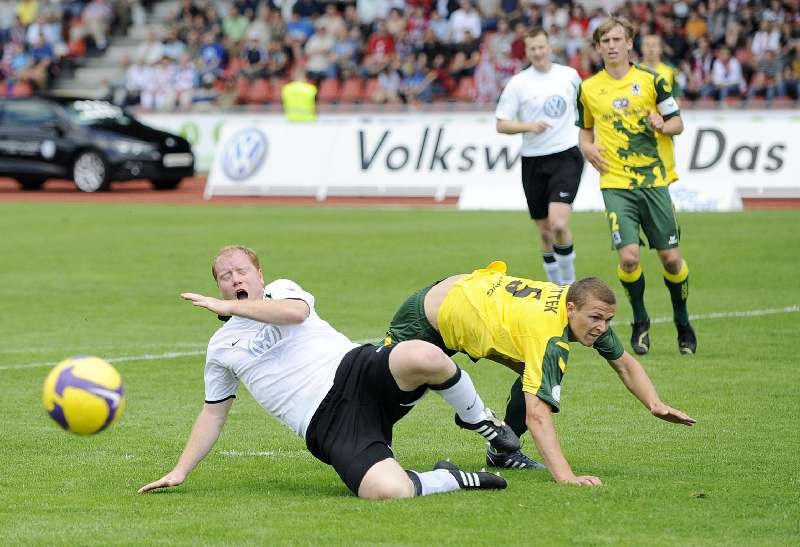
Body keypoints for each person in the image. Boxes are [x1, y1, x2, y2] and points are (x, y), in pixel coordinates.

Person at [138, 246, 517, 500]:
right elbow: (213, 413)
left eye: (242, 271)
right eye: (225, 276)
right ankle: (455, 477)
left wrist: (227, 307)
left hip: (354, 370)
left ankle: (480, 421)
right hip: (326, 423)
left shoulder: (282, 290)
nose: (235, 280)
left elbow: (295, 314)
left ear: (259, 274)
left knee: (425, 356)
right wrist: (180, 471)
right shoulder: (221, 348)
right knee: (388, 491)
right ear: (217, 284)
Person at [385, 260, 696, 484]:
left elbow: (625, 363)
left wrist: (655, 404)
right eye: (597, 318)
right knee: (388, 390)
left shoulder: (581, 308)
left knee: (532, 374)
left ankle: (499, 448)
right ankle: (376, 457)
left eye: (608, 320)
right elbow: (538, 415)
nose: (602, 327)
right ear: (572, 308)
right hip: (427, 316)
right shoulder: (551, 337)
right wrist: (566, 477)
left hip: (467, 301)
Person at [576, 17, 697, 356]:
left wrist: (663, 124)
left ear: (629, 43)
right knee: (629, 258)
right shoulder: (588, 89)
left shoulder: (652, 80)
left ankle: (682, 321)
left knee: (671, 259)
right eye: (605, 40)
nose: (612, 45)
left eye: (617, 39)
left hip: (654, 181)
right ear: (598, 47)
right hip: (615, 183)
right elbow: (585, 131)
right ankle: (640, 321)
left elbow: (678, 123)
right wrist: (586, 147)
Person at [495, 27, 584, 285]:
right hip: (533, 159)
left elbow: (585, 109)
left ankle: (569, 284)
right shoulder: (518, 83)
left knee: (558, 223)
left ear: (550, 47)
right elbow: (502, 124)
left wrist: (590, 139)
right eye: (532, 48)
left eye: (541, 47)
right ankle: (555, 287)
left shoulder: (569, 76)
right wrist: (529, 126)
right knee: (545, 232)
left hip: (566, 155)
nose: (538, 52)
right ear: (527, 51)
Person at [639, 33, 683, 99]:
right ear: (641, 48)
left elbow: (676, 96)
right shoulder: (633, 70)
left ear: (661, 49)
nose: (650, 49)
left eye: (654, 45)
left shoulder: (670, 70)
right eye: (647, 45)